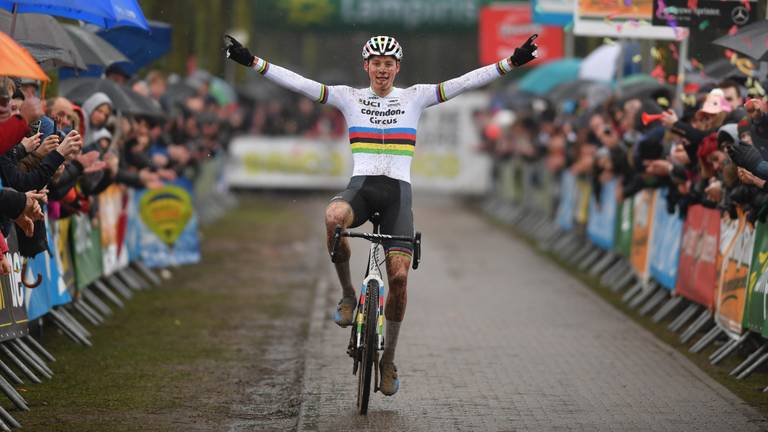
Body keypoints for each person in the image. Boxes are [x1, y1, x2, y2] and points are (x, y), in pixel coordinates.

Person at [225, 34, 539, 396]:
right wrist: (253, 62)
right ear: (366, 66)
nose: (382, 70)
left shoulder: (415, 96)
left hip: (397, 197)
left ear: (397, 68)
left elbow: (465, 82)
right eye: (376, 63)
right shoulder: (348, 96)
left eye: (389, 64)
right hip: (361, 188)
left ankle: (387, 360)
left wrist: (511, 63)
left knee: (400, 277)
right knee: (333, 218)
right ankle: (348, 294)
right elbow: (301, 84)